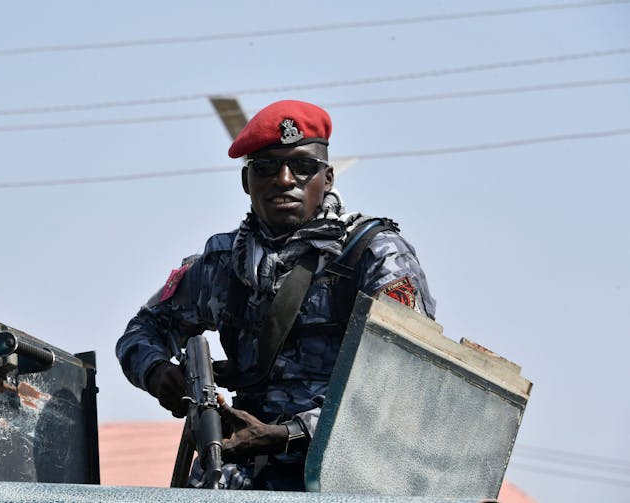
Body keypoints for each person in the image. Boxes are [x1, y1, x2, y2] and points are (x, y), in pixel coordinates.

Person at [116, 100, 435, 490]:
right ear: (246, 182)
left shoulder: (372, 256)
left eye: (302, 166)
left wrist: (289, 434)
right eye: (266, 167)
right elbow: (141, 330)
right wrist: (159, 373)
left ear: (328, 177)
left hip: (347, 470)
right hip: (240, 465)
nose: (284, 180)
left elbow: (409, 385)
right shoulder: (222, 262)